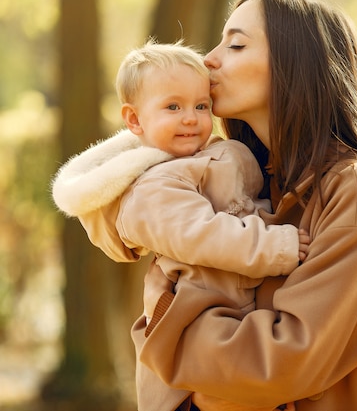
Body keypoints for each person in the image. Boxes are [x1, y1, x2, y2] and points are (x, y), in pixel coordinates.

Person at [79, 0, 357, 409]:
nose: (209, 59)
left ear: (296, 63)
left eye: (235, 45)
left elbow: (283, 362)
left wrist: (164, 335)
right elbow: (119, 217)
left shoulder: (356, 190)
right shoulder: (246, 179)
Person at [51, 40, 306, 411]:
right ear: (135, 120)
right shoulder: (154, 187)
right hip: (196, 316)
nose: (191, 118)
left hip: (235, 308)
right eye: (173, 107)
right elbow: (202, 235)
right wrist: (276, 247)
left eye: (201, 106)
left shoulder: (205, 156)